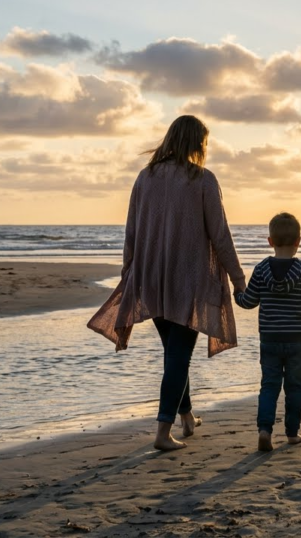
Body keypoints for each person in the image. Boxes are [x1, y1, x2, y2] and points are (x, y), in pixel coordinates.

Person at [87, 115, 246, 452]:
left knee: (174, 353)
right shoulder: (202, 179)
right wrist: (238, 278)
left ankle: (186, 418)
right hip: (189, 280)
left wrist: (129, 272)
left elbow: (131, 230)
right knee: (178, 356)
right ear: (196, 143)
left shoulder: (145, 177)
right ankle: (162, 432)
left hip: (152, 279)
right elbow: (220, 236)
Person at [235, 212, 301, 452]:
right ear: (298, 241)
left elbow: (249, 301)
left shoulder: (261, 270)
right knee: (294, 387)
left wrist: (236, 293)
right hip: (296, 341)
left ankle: (265, 431)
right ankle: (292, 433)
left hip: (270, 340)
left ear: (270, 241)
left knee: (269, 386)